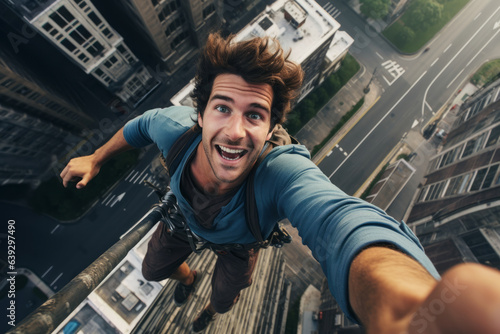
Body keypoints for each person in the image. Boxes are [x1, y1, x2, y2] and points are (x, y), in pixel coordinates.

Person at [61, 32, 500, 333]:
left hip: (238, 244)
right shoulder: (173, 130)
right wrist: (95, 158)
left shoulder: (280, 173)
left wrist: (401, 298)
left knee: (227, 297)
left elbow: (336, 218)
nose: (234, 131)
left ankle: (211, 310)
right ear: (199, 113)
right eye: (222, 108)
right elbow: (140, 124)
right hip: (182, 220)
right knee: (152, 269)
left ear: (270, 129)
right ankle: (190, 279)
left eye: (254, 114)